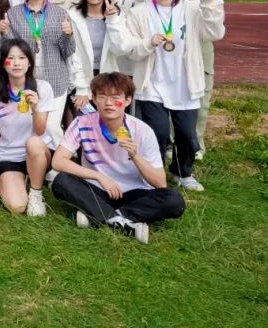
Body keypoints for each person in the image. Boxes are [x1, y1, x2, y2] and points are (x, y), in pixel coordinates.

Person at [109, 0, 225, 193]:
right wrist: (148, 43)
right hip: (152, 83)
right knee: (158, 132)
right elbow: (129, 48)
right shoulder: (139, 12)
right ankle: (153, 173)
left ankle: (182, 173)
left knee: (187, 136)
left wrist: (208, 4)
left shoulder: (191, 9)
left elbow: (215, 32)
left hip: (184, 83)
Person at [52, 72, 186, 244]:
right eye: (102, 97)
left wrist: (135, 156)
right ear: (94, 99)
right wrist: (99, 176)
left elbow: (160, 182)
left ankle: (104, 217)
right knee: (61, 181)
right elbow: (58, 161)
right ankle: (127, 221)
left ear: (127, 101)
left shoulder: (142, 130)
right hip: (99, 190)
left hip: (135, 192)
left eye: (115, 98)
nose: (109, 103)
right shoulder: (82, 123)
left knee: (174, 200)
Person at [7, 0, 79, 149]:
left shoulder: (60, 13)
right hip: (25, 79)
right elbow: (10, 49)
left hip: (55, 78)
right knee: (31, 126)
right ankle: (39, 159)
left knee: (51, 126)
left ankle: (63, 158)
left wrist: (68, 35)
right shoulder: (13, 13)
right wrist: (3, 33)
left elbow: (68, 51)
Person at [0, 39, 55, 216]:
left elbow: (40, 131)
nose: (16, 63)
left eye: (22, 58)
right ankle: (17, 181)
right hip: (8, 156)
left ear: (29, 62)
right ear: (3, 64)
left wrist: (35, 108)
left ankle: (36, 193)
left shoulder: (42, 88)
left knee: (33, 142)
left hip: (37, 153)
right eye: (10, 58)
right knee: (17, 207)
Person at [171, 0, 223, 157]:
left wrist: (208, 1)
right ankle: (172, 144)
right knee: (172, 94)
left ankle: (196, 144)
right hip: (172, 45)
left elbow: (217, 22)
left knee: (201, 97)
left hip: (201, 45)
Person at [68, 0, 124, 112]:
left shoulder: (117, 14)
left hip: (110, 78)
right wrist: (81, 88)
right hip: (79, 78)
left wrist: (113, 20)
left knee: (109, 120)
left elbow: (121, 48)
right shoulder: (73, 15)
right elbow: (73, 54)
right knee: (84, 121)